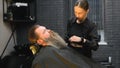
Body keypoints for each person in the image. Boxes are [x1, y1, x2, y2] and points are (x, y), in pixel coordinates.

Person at [28, 25, 106, 68]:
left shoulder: (56, 47)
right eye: (44, 31)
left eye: (46, 29)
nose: (49, 30)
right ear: (40, 41)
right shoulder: (42, 59)